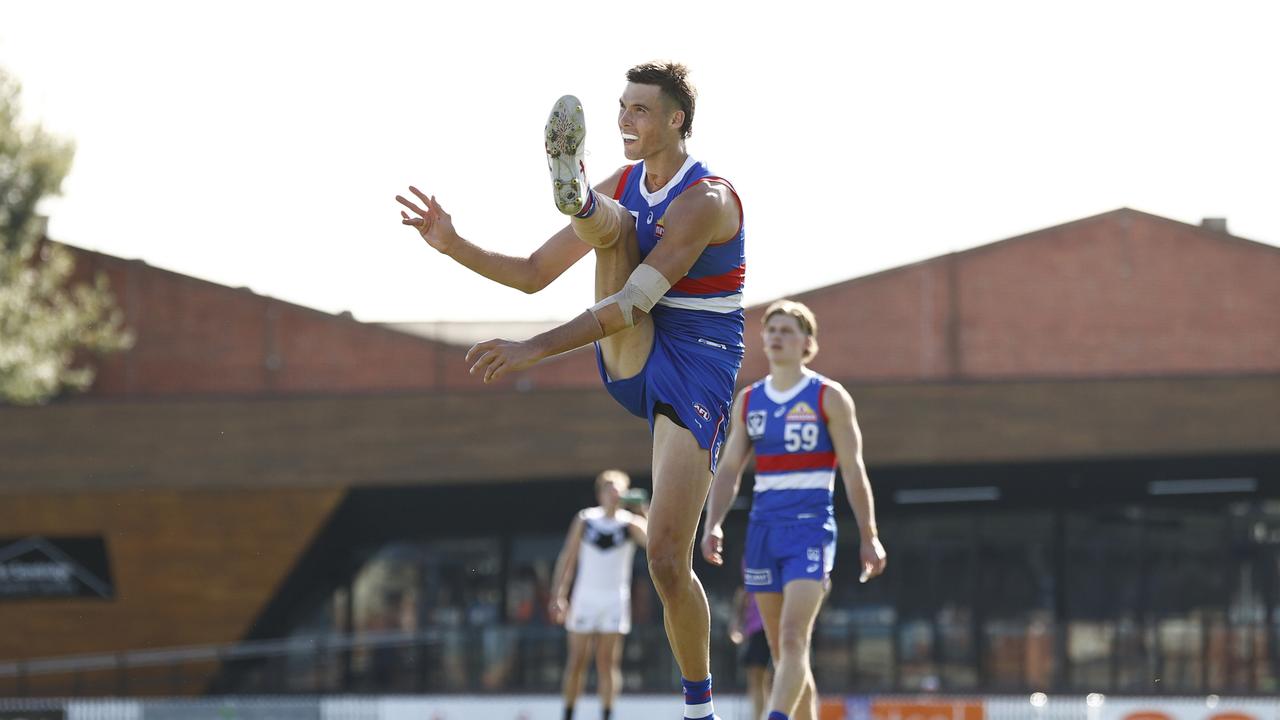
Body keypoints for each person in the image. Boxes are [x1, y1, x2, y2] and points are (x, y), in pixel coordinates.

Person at [396, 61, 744, 719]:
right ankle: (578, 199)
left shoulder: (709, 200)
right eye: (620, 107)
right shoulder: (628, 179)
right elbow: (532, 274)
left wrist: (532, 350)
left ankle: (700, 708)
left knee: (668, 562)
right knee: (613, 221)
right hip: (633, 349)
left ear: (677, 119)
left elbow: (635, 302)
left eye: (640, 109)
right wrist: (451, 244)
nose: (623, 120)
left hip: (694, 365)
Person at [700, 300, 887, 720]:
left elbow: (854, 471)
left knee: (791, 639)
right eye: (771, 330)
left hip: (810, 530)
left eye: (787, 330)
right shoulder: (749, 401)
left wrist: (869, 535)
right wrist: (713, 523)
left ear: (808, 343)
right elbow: (729, 468)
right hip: (763, 531)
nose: (777, 336)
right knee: (781, 650)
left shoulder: (829, 396)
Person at [549, 470, 648, 720]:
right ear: (600, 493)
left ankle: (607, 713)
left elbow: (653, 543)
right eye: (609, 488)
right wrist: (558, 595)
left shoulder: (630, 524)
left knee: (607, 663)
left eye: (618, 489)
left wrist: (643, 511)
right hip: (585, 598)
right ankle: (569, 713)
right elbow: (567, 559)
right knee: (577, 661)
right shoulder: (585, 520)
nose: (613, 493)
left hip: (615, 599)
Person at [728, 585, 772, 720]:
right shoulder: (747, 567)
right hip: (755, 629)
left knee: (768, 678)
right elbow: (742, 593)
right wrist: (736, 623)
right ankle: (758, 716)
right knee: (756, 677)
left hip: (774, 625)